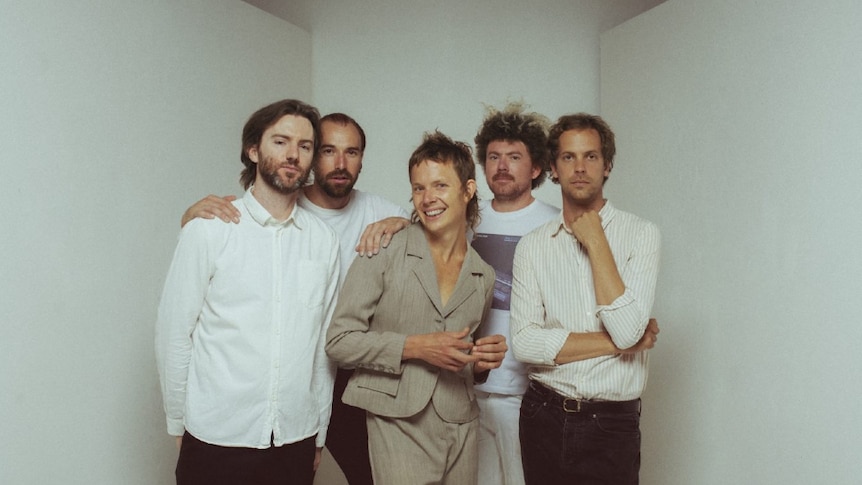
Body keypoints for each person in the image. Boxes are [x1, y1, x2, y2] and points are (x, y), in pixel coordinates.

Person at [179, 112, 409, 485]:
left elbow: (437, 238)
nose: (339, 163)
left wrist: (405, 225)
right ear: (314, 157)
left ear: (363, 158)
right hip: (288, 375)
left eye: (351, 152)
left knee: (376, 474)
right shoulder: (282, 201)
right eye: (327, 150)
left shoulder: (380, 212)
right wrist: (190, 219)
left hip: (349, 368)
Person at [155, 99, 341, 485]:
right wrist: (179, 424)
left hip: (295, 436)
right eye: (280, 141)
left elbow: (324, 347)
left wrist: (319, 430)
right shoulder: (208, 230)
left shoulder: (324, 241)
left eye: (305, 146)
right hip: (216, 436)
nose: (293, 154)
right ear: (253, 150)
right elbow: (174, 333)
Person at [325, 131, 508, 485]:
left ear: (468, 190)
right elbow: (340, 341)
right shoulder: (382, 249)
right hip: (396, 419)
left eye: (440, 186)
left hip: (461, 422)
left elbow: (463, 360)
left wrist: (482, 364)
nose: (427, 199)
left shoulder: (482, 275)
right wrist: (416, 347)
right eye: (418, 188)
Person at [510, 113, 661, 484]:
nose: (580, 168)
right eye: (568, 157)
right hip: (543, 413)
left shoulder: (642, 234)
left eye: (591, 157)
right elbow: (525, 342)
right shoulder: (532, 246)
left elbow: (627, 332)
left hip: (612, 423)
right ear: (553, 169)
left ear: (607, 165)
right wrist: (618, 343)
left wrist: (595, 240)